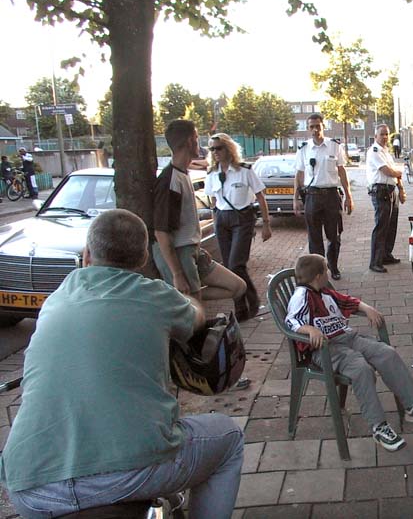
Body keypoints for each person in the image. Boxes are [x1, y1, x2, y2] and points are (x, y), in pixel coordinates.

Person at [0, 209, 244, 518]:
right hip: (124, 472)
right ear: (143, 257)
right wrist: (191, 300)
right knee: (228, 438)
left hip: (29, 486)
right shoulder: (155, 295)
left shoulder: (56, 299)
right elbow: (195, 316)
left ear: (88, 254)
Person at [285, 254, 413, 451]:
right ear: (318, 276)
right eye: (326, 270)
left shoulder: (325, 291)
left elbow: (346, 301)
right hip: (325, 349)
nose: (328, 273)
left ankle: (412, 404)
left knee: (386, 353)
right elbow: (291, 321)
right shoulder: (301, 297)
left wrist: (366, 308)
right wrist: (309, 330)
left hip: (347, 338)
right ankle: (379, 426)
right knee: (361, 369)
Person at [153, 119, 246, 303]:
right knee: (195, 311)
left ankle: (190, 298)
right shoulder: (170, 180)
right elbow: (161, 231)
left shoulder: (183, 173)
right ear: (189, 141)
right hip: (180, 253)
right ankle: (188, 299)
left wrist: (197, 246)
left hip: (192, 249)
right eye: (197, 137)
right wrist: (177, 273)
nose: (200, 143)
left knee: (238, 286)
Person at [205, 133, 272, 321]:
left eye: (218, 148)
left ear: (228, 149)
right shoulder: (212, 173)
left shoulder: (245, 170)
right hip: (222, 220)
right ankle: (241, 307)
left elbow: (260, 196)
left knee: (237, 264)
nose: (215, 152)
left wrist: (266, 224)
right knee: (229, 267)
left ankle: (251, 300)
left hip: (242, 218)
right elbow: (213, 202)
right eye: (212, 149)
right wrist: (214, 223)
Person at [293, 112, 355, 281]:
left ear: (323, 126)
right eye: (311, 127)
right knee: (314, 238)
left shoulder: (334, 146)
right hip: (312, 196)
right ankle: (319, 271)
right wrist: (296, 199)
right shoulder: (303, 149)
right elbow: (299, 175)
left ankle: (333, 266)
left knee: (333, 236)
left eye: (317, 126)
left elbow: (342, 172)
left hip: (331, 196)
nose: (314, 130)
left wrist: (349, 196)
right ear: (308, 128)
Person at [367, 124, 406, 273]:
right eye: (382, 134)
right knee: (381, 227)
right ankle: (375, 261)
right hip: (380, 191)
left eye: (387, 134)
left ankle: (386, 255)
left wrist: (401, 189)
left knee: (391, 225)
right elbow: (387, 171)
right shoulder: (374, 151)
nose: (385, 137)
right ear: (375, 136)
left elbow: (395, 174)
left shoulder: (386, 152)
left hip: (391, 190)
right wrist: (399, 172)